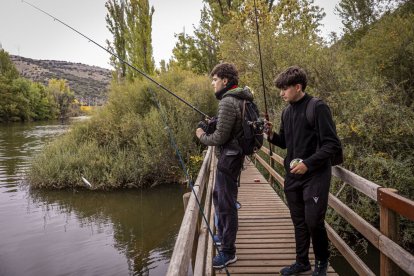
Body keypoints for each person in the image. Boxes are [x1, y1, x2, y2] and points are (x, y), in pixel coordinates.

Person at [265, 66, 342, 276]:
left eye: (284, 89)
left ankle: (321, 262)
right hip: (293, 176)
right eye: (280, 89)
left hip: (315, 175)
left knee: (313, 221)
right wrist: (271, 135)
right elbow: (286, 142)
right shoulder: (287, 111)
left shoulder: (317, 107)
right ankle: (302, 262)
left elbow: (331, 145)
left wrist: (307, 163)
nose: (281, 93)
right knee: (299, 221)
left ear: (298, 87)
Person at [196, 62, 253, 269]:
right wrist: (214, 122)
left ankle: (228, 252)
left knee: (227, 205)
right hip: (233, 158)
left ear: (225, 80)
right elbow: (228, 127)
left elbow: (220, 137)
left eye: (215, 79)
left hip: (228, 160)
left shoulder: (228, 101)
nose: (213, 83)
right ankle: (222, 237)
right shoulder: (237, 98)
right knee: (219, 197)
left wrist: (202, 135)